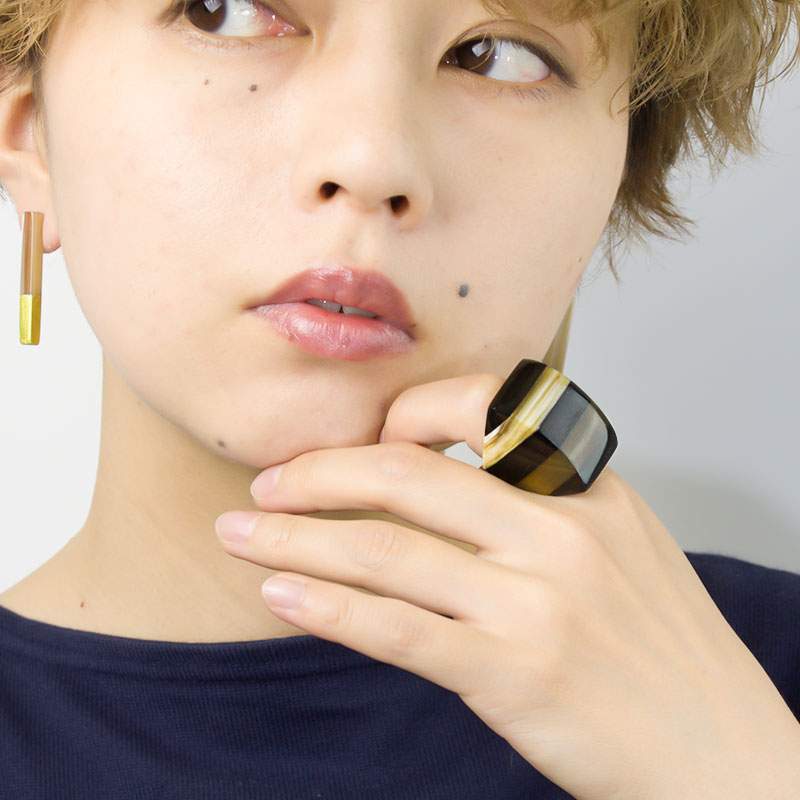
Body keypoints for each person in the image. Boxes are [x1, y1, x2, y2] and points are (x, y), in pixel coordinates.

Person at [1, 1, 799, 797]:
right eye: (229, 12)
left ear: (615, 177)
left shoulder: (766, 692)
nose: (372, 160)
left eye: (496, 56)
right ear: (29, 134)